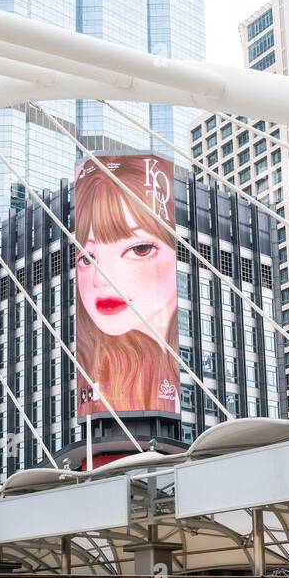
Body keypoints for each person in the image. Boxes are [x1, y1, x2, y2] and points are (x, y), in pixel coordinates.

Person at [74, 154, 180, 419]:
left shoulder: (168, 378)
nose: (102, 279)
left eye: (140, 248)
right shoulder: (95, 367)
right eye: (88, 258)